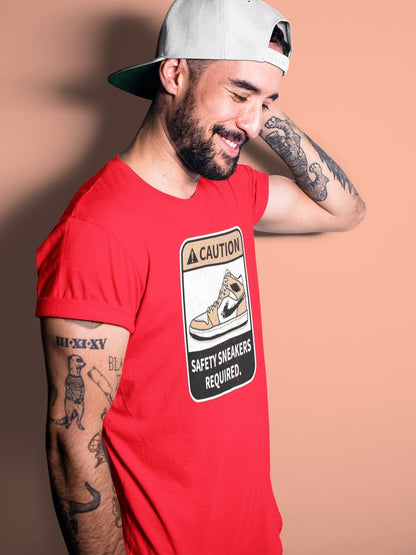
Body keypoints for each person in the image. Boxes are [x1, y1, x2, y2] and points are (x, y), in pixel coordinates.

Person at [36, 0, 365, 553]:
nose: (253, 124)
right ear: (174, 74)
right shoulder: (97, 232)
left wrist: (255, 105)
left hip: (254, 537)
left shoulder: (230, 190)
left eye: (267, 103)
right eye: (238, 93)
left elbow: (345, 210)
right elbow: (74, 443)